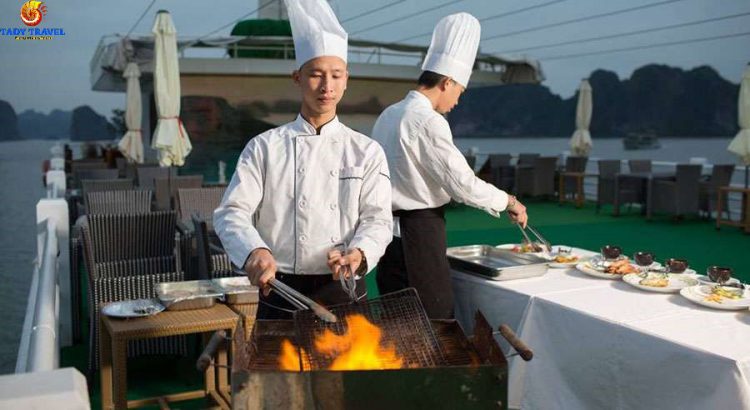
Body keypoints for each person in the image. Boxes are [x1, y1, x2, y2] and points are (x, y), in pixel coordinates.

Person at [214, 0, 392, 320]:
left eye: (336, 75)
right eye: (316, 75)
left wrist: (361, 252)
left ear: (347, 79)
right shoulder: (264, 147)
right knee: (279, 371)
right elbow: (232, 212)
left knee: (345, 370)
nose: (327, 86)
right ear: (297, 77)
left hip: (345, 285)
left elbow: (378, 219)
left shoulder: (366, 150)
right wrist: (255, 250)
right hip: (281, 287)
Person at [371, 13, 529, 319]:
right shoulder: (428, 121)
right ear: (447, 82)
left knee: (396, 314)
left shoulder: (389, 114)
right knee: (434, 316)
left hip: (386, 232)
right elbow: (462, 184)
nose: (457, 101)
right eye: (459, 91)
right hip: (419, 230)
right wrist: (507, 200)